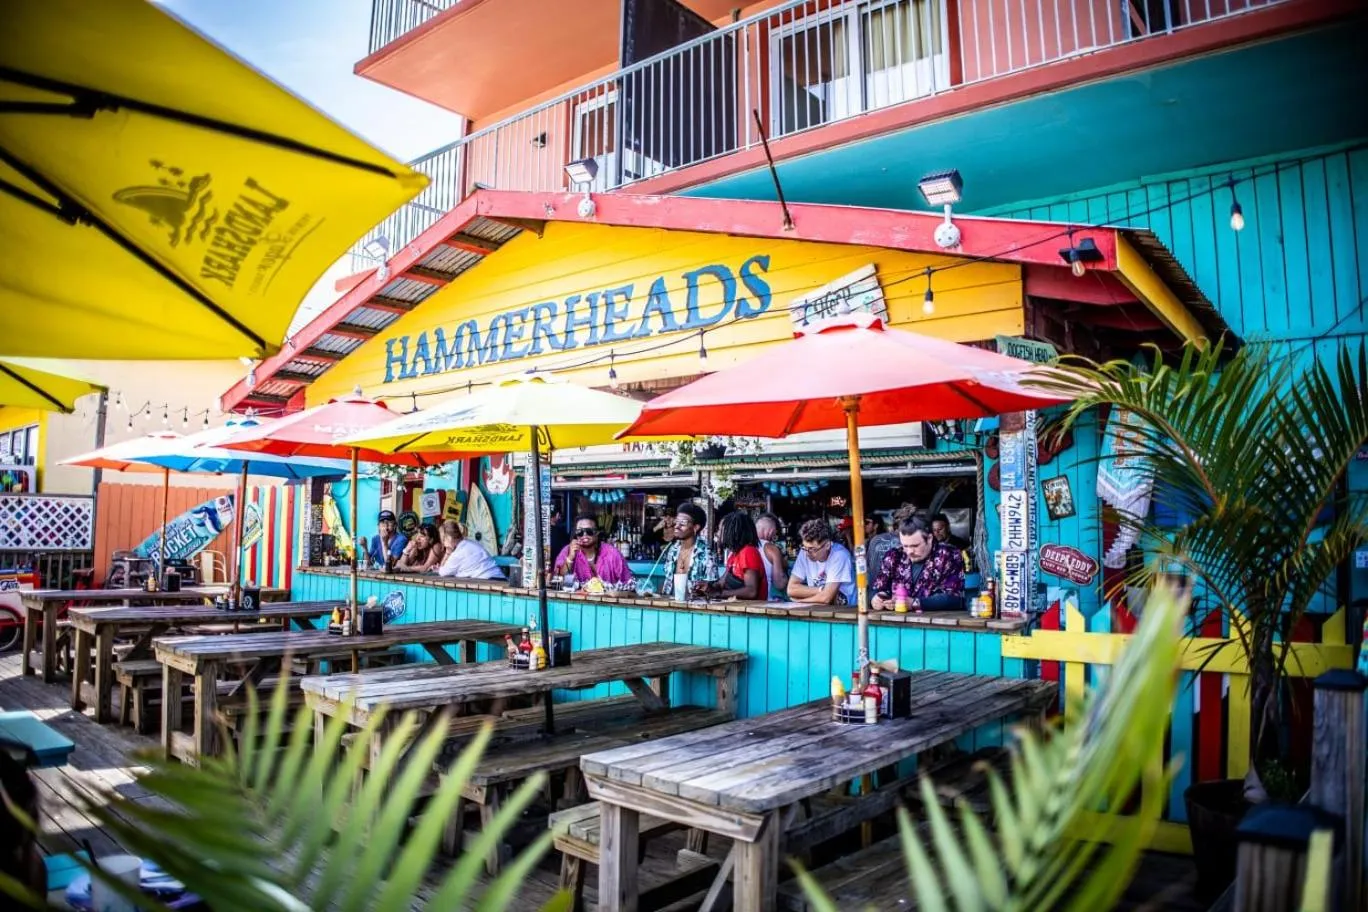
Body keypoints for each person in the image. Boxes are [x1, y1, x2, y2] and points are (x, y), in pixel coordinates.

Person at [871, 516, 966, 612]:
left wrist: (915, 603)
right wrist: (877, 599)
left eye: (915, 545)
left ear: (929, 538)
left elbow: (955, 598)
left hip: (937, 623)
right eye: (905, 546)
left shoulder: (949, 555)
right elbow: (877, 587)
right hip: (895, 623)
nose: (909, 551)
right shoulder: (894, 556)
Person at [787, 518, 857, 606]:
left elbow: (826, 598)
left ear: (827, 545)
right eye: (805, 547)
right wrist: (822, 590)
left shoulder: (840, 555)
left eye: (813, 549)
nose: (807, 553)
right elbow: (791, 589)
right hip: (820, 610)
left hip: (847, 613)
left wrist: (800, 601)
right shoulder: (804, 551)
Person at [552, 514, 635, 588]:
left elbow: (628, 583)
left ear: (597, 533)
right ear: (575, 534)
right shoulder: (568, 550)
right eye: (580, 531)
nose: (584, 535)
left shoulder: (612, 554)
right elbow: (558, 579)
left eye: (589, 531)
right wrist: (570, 558)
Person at [701, 512, 768, 600]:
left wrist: (720, 594)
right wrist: (707, 587)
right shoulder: (734, 554)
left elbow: (751, 592)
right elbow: (721, 583)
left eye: (721, 530)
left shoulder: (748, 552)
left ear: (732, 531)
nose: (717, 533)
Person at [660, 502, 717, 600]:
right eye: (677, 522)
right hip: (670, 606)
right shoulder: (672, 550)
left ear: (695, 527)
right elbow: (667, 583)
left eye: (683, 523)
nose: (677, 526)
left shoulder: (706, 554)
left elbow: (712, 589)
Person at [436, 520, 505, 580]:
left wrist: (447, 554)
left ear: (449, 538)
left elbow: (443, 572)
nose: (444, 544)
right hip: (499, 578)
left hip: (488, 581)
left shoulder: (458, 553)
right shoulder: (471, 543)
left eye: (444, 540)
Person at [754, 512, 789, 601]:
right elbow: (779, 584)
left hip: (745, 601)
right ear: (771, 531)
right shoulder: (771, 549)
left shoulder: (743, 545)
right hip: (765, 602)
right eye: (775, 533)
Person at [548, 502, 570, 569]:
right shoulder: (561, 532)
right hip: (557, 567)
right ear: (557, 515)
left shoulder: (539, 530)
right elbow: (567, 548)